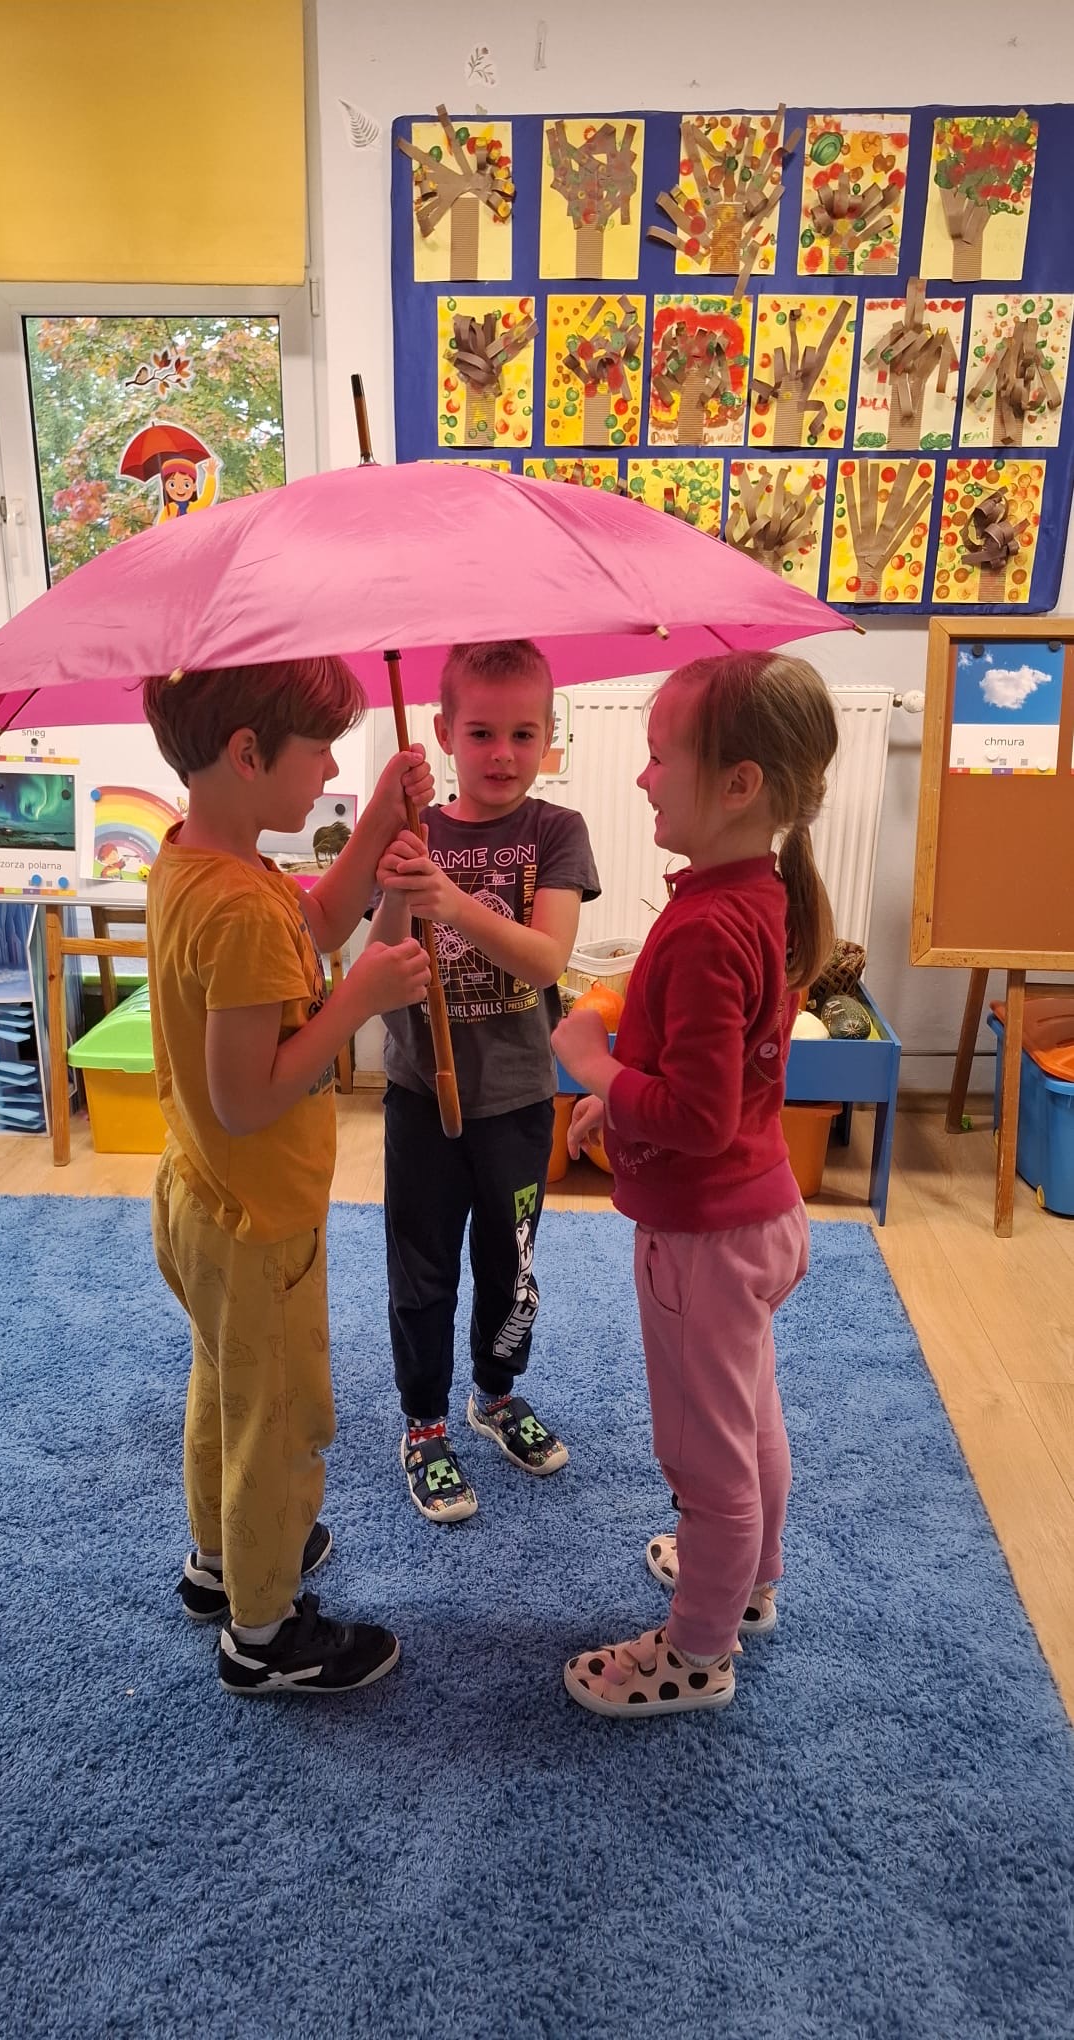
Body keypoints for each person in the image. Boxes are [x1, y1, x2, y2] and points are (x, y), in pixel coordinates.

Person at [552, 651, 839, 1718]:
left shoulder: (709, 926)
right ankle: (749, 1578)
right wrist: (620, 1104)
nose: (642, 778)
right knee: (750, 1415)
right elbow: (710, 1080)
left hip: (705, 1241)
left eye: (658, 757)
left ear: (738, 784)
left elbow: (697, 1116)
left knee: (702, 1455)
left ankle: (698, 1653)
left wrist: (592, 1066)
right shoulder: (753, 896)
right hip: (758, 1212)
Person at [143, 657, 432, 1697]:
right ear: (248, 754)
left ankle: (222, 1560)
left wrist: (375, 826)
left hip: (202, 1197)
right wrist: (358, 1002)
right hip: (258, 1218)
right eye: (319, 754)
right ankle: (263, 1632)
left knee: (227, 1388)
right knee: (280, 1422)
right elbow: (248, 1097)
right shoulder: (239, 909)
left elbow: (308, 930)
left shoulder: (202, 863)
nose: (330, 774)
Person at [370, 640, 600, 1522]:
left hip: (515, 1098)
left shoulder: (556, 832)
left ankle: (495, 1393)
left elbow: (545, 957)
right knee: (421, 1270)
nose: (503, 754)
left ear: (549, 736)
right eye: (480, 733)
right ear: (442, 734)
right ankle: (424, 1421)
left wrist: (452, 901)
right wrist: (403, 883)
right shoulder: (412, 830)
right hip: (420, 1096)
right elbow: (379, 955)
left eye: (523, 734)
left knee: (512, 1268)